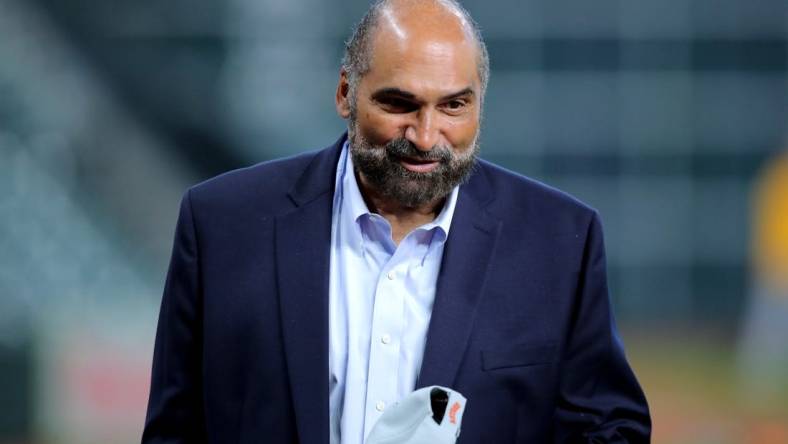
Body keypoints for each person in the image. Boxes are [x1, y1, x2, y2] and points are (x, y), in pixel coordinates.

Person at [142, 0, 651, 442]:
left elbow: (610, 429)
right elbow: (176, 430)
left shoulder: (560, 242)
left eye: (453, 105)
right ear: (346, 93)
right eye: (400, 104)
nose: (427, 137)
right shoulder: (222, 226)